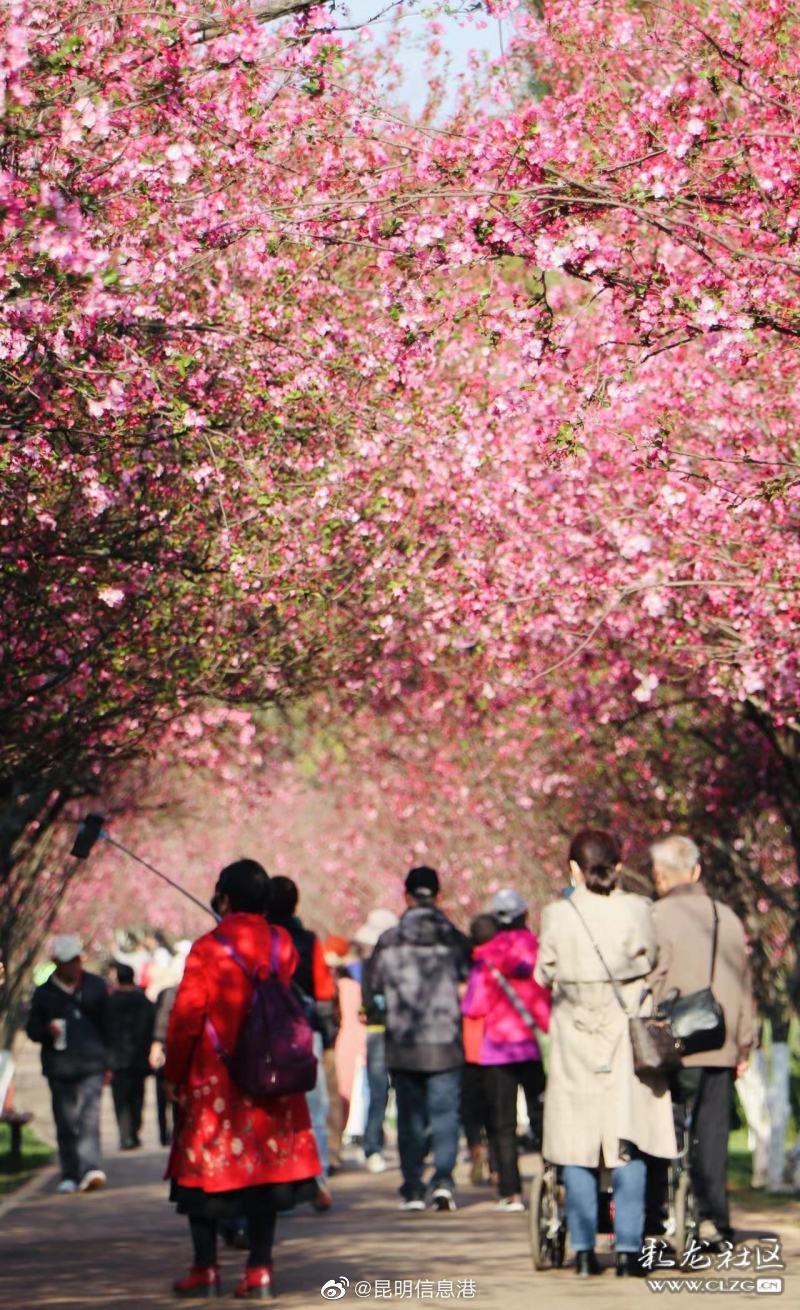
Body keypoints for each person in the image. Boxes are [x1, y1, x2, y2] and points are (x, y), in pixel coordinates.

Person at [165, 859, 321, 1301]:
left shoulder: (207, 948)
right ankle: (260, 1270)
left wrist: (173, 1074)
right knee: (266, 1178)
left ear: (225, 897)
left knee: (201, 1177)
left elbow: (186, 1018)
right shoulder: (282, 943)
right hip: (270, 1077)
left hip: (217, 1078)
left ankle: (205, 1268)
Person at [535, 830, 676, 1277]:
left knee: (576, 1142)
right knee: (626, 1138)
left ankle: (581, 1251)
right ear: (618, 866)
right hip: (624, 1034)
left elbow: (543, 972)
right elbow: (652, 957)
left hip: (575, 1037)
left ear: (573, 868)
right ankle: (630, 1250)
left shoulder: (558, 914)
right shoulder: (638, 909)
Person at [649, 834, 755, 1249]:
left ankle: (660, 1215)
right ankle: (715, 1222)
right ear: (696, 871)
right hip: (718, 1041)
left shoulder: (654, 916)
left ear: (659, 876)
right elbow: (744, 985)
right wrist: (744, 1045)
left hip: (667, 1044)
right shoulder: (725, 917)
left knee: (663, 1130)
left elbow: (650, 980)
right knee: (712, 1136)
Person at [363, 866, 471, 1212]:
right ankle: (443, 1181)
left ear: (407, 897)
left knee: (409, 1115)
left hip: (404, 1041)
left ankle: (412, 1187)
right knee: (445, 1115)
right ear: (439, 897)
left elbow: (373, 990)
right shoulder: (454, 938)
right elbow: (471, 982)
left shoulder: (390, 940)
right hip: (446, 1040)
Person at [462, 889, 551, 1212]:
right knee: (544, 1117)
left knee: (502, 1124)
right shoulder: (540, 949)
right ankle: (557, 1182)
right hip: (534, 1045)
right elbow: (549, 998)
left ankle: (511, 1192)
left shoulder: (487, 957)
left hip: (498, 1048)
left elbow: (473, 1006)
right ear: (525, 916)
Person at [268, 876, 339, 1198]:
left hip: (265, 1034)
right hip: (304, 1031)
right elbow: (324, 990)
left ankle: (276, 1176)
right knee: (314, 1107)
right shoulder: (309, 940)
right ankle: (318, 1175)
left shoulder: (262, 939)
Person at [25, 934, 109, 1194]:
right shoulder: (44, 993)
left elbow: (109, 1025)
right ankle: (70, 1172)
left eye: (75, 960)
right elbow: (32, 1029)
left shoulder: (96, 986)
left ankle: (90, 1168)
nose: (72, 966)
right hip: (59, 1065)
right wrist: (46, 1031)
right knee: (65, 1120)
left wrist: (111, 1062)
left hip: (92, 1062)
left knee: (89, 1117)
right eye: (66, 962)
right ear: (56, 963)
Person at [353, 908, 399, 1173]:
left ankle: (374, 1147)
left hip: (378, 1030)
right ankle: (377, 1146)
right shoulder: (404, 960)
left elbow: (367, 1002)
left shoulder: (370, 964)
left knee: (378, 1092)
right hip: (395, 1032)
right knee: (393, 1091)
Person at [460, 913, 498, 1187]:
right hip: (497, 1045)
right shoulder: (502, 961)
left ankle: (475, 1147)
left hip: (469, 1044)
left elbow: (471, 1005)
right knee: (497, 1108)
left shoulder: (468, 963)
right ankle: (497, 1164)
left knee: (471, 1107)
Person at [108, 961, 155, 1150]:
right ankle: (134, 1131)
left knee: (121, 1098)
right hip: (139, 1057)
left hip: (117, 1059)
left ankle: (125, 1135)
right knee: (137, 1096)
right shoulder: (143, 1002)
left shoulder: (110, 1002)